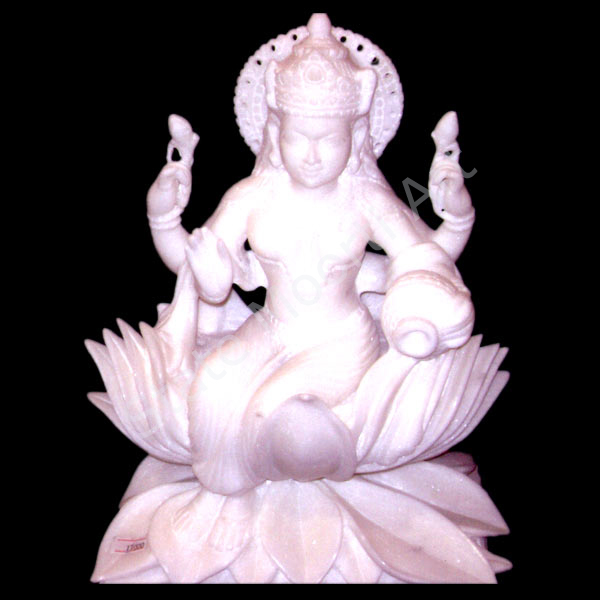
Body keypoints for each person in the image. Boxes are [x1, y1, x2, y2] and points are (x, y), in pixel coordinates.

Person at [145, 14, 476, 496]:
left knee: (276, 410)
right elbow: (192, 268)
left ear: (355, 137)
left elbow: (428, 258)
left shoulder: (365, 199)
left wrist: (457, 215)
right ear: (275, 131)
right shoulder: (250, 196)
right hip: (271, 329)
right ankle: (230, 494)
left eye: (329, 140)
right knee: (210, 389)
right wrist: (164, 218)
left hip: (340, 341)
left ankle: (276, 484)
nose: (313, 155)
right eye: (297, 137)